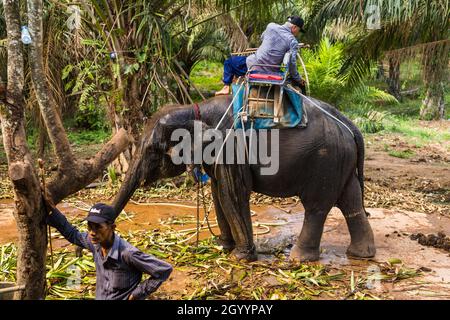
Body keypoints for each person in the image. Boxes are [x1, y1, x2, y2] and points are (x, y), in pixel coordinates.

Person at [43, 198, 173, 300]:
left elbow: (164, 270)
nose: (92, 232)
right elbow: (73, 234)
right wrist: (53, 211)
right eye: (90, 227)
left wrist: (136, 295)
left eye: (98, 227)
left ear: (112, 227)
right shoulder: (95, 245)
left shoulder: (127, 254)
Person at [215, 15, 306, 96]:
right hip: (272, 71)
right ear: (294, 27)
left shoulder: (271, 26)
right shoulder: (293, 42)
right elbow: (292, 64)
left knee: (229, 62)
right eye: (299, 31)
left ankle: (226, 87)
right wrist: (297, 79)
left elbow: (262, 38)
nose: (298, 34)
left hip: (253, 66)